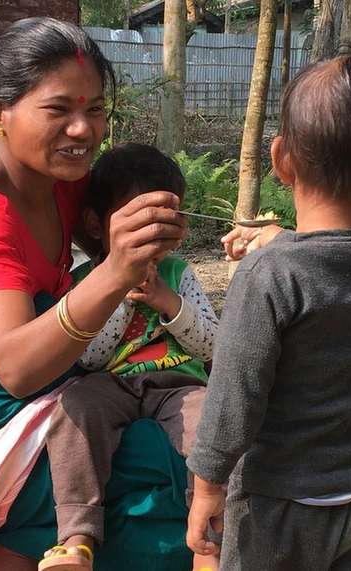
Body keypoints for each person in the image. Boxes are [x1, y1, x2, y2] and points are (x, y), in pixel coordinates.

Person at [0, 18, 190, 571]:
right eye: (58, 110)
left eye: (96, 109)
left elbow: (126, 228)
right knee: (180, 469)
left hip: (58, 396)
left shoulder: (64, 184)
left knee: (197, 439)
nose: (83, 130)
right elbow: (16, 369)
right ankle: (2, 546)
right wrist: (116, 270)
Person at [186, 50, 351, 570]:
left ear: (280, 160)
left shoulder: (267, 276)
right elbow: (330, 257)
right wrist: (283, 241)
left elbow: (235, 394)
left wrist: (207, 485)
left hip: (278, 505)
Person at [39, 143, 219, 571]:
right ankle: (77, 537)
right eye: (139, 225)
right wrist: (117, 291)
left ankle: (210, 543)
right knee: (73, 408)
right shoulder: (84, 282)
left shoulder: (179, 273)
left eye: (165, 225)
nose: (152, 238)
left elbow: (212, 345)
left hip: (178, 382)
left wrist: (167, 302)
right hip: (110, 383)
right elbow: (91, 358)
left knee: (214, 419)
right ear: (96, 224)